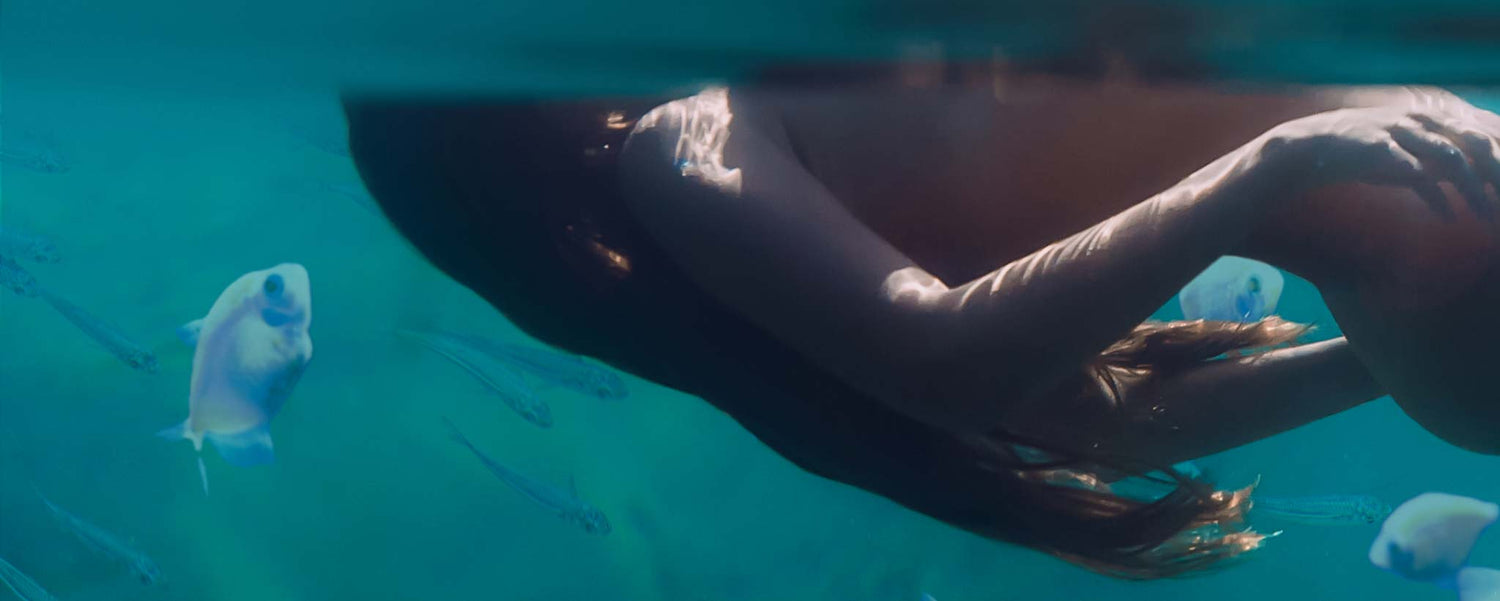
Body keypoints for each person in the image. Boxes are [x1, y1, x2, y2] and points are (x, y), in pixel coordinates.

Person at [342, 65, 1499, 578]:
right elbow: (944, 362)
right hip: (1446, 265)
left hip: (1438, 280)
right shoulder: (682, 148)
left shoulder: (735, 112)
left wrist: (1391, 354)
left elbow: (1116, 422)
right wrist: (1271, 174)